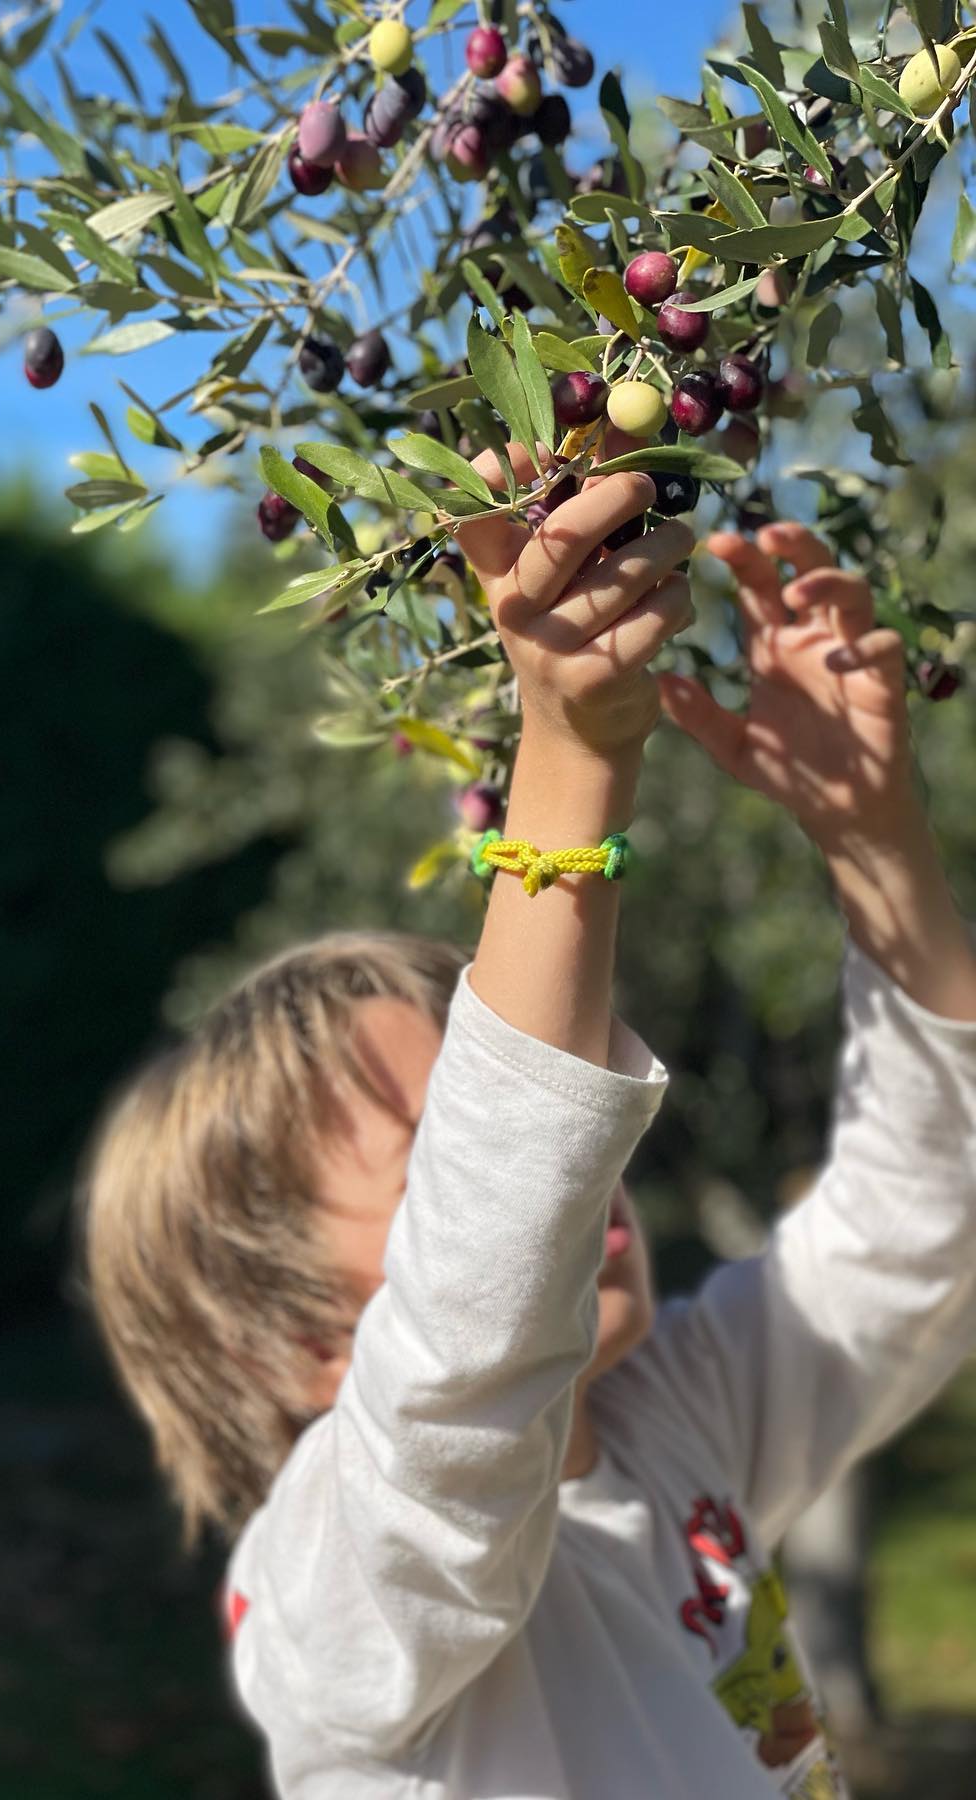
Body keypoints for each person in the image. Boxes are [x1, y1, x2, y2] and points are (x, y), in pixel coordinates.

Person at [78, 446, 976, 1799]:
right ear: (303, 1342)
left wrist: (872, 840)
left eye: (486, 1080)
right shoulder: (338, 1596)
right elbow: (469, 1330)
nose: (563, 1160)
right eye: (443, 1149)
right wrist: (566, 755)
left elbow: (928, 1217)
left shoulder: (676, 1419)